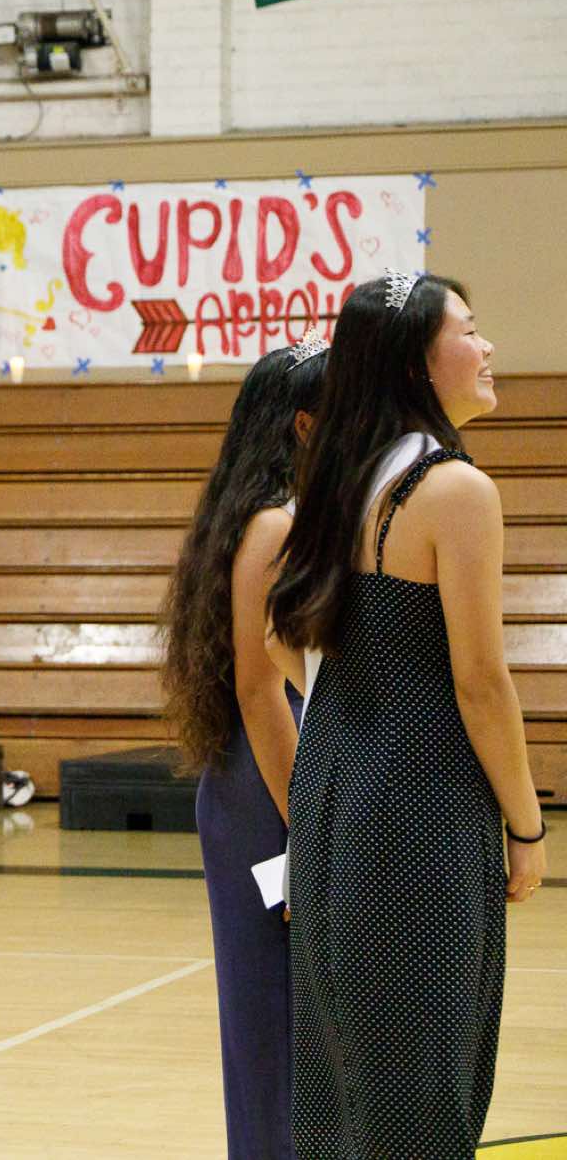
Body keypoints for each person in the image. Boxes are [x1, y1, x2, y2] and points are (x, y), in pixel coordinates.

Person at [266, 271, 544, 1157]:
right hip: (421, 807)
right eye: (470, 329)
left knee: (341, 1081)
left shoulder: (334, 480)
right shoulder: (454, 489)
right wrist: (528, 825)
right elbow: (481, 683)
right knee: (424, 1085)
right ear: (417, 363)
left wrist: (359, 705)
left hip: (330, 795)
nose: (488, 346)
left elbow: (282, 638)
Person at [159, 340, 328, 1160]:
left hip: (255, 778)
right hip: (269, 779)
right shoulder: (274, 524)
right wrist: (313, 830)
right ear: (304, 425)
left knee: (281, 1020)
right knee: (277, 1021)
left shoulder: (265, 515)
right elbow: (263, 693)